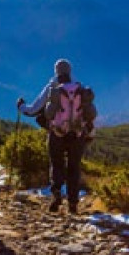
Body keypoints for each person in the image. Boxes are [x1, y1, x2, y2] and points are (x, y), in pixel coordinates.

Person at [17, 58, 95, 214]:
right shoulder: (80, 89)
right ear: (70, 71)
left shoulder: (52, 88)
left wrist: (21, 106)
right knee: (74, 168)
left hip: (57, 133)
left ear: (56, 71)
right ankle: (73, 204)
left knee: (56, 164)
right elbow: (90, 113)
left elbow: (33, 109)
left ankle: (56, 196)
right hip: (77, 134)